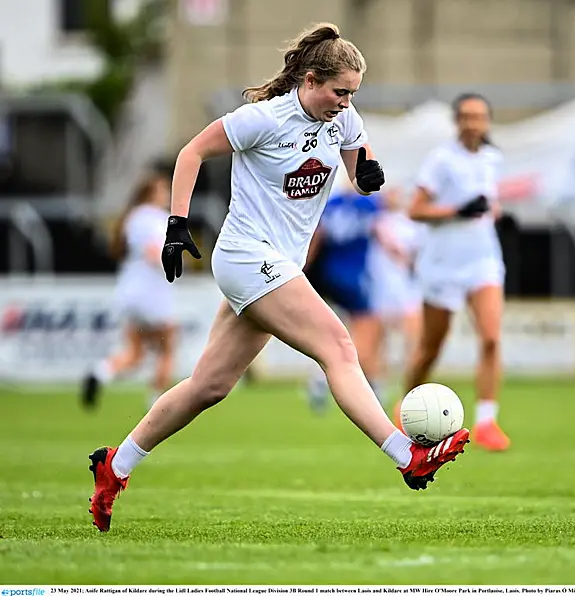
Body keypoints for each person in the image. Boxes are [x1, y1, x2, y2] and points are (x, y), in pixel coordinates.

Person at [87, 23, 470, 533]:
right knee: (338, 345)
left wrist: (368, 172)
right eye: (339, 92)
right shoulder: (262, 119)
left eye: (353, 93)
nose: (346, 103)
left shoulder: (343, 115)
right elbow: (190, 153)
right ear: (310, 80)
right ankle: (407, 456)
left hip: (277, 263)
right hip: (248, 256)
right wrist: (177, 223)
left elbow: (358, 161)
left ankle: (115, 466)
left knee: (209, 385)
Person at [400, 93, 510, 452]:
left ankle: (487, 421)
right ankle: (407, 410)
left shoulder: (493, 159)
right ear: (456, 121)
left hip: (483, 261)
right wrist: (456, 212)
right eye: (465, 116)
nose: (472, 123)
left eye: (478, 117)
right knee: (431, 348)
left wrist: (495, 213)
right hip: (442, 266)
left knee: (491, 337)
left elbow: (488, 205)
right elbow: (415, 211)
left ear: (487, 121)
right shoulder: (441, 160)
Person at [81, 172, 177, 411]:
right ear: (152, 194)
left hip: (129, 290)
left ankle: (99, 373)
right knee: (167, 348)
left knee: (135, 353)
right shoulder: (157, 218)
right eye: (163, 190)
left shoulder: (132, 218)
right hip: (152, 292)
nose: (167, 195)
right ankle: (156, 403)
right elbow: (154, 252)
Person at [303, 178, 386, 411]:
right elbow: (384, 232)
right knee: (367, 329)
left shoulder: (331, 203)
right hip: (354, 276)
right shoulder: (370, 204)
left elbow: (317, 236)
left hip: (329, 274)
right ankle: (333, 380)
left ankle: (363, 381)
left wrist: (303, 266)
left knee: (343, 330)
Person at [368, 188, 424, 401]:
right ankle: (379, 385)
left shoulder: (410, 224)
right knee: (380, 340)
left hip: (407, 288)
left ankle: (411, 387)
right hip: (382, 288)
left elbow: (417, 253)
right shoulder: (378, 222)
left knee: (412, 339)